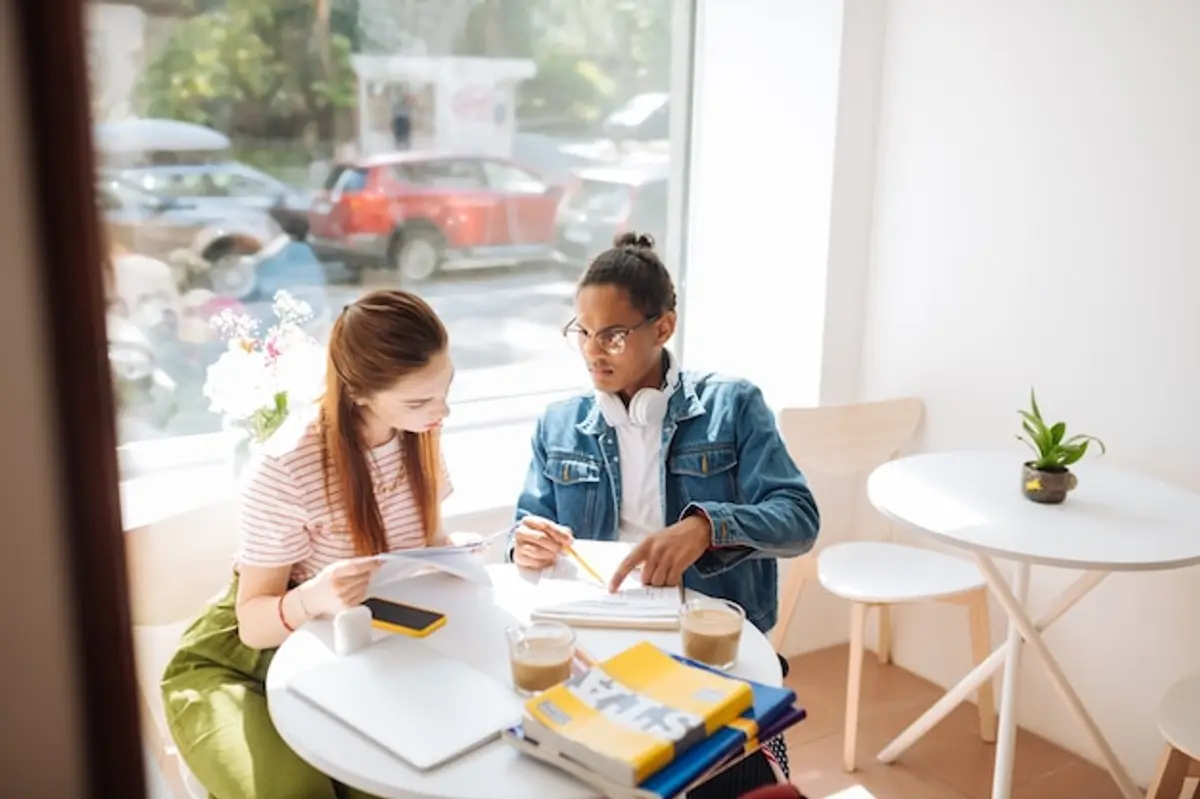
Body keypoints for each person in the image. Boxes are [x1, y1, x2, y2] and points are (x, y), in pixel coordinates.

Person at [510, 231, 820, 792]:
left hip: (704, 647)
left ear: (663, 328)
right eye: (582, 332)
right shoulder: (558, 424)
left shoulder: (733, 405)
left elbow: (799, 519)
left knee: (728, 783)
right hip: (597, 648)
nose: (591, 351)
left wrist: (707, 527)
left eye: (613, 335)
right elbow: (526, 525)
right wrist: (523, 542)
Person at [161, 289, 454, 799]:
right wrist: (314, 597)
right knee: (297, 792)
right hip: (241, 662)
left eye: (447, 388)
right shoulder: (288, 465)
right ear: (360, 392)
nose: (442, 411)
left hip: (341, 650)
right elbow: (252, 621)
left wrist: (457, 554)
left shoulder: (418, 432)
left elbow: (422, 545)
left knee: (400, 780)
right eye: (421, 400)